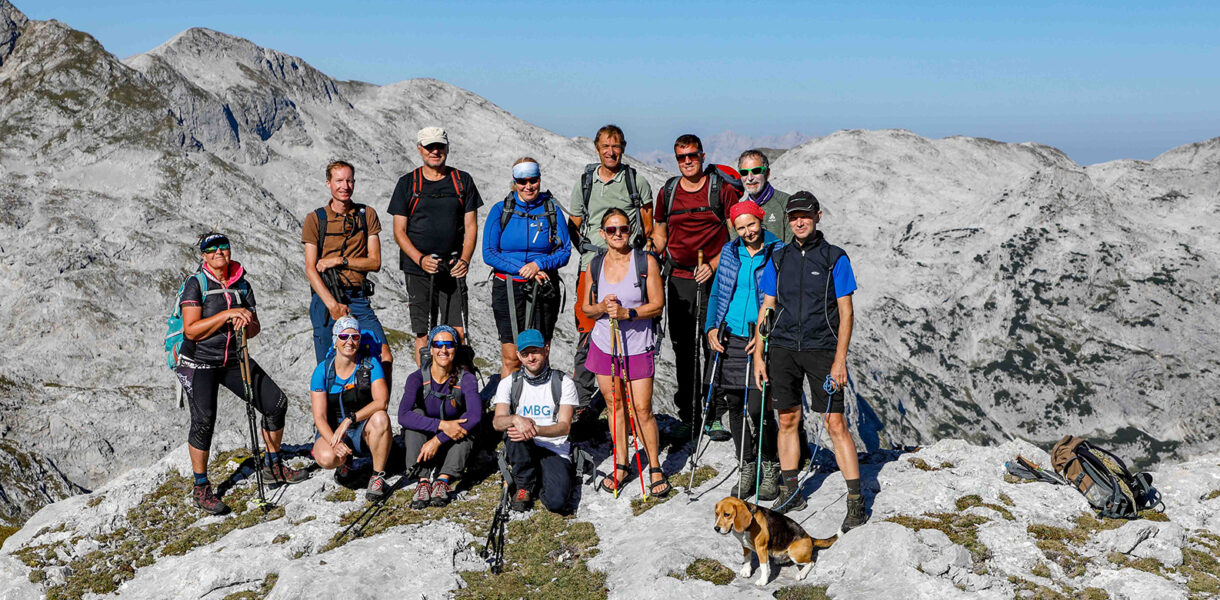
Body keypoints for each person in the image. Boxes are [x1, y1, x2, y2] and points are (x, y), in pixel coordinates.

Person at [752, 193, 864, 532]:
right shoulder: (779, 258)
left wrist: (839, 360)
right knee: (787, 418)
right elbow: (768, 306)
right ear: (788, 220)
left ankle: (856, 501)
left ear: (817, 216)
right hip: (783, 348)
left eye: (805, 215)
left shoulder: (835, 259)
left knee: (834, 423)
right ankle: (792, 490)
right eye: (794, 216)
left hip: (821, 350)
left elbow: (846, 313)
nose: (799, 222)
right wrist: (759, 353)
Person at [174, 232, 307, 515]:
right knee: (204, 420)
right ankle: (201, 488)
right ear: (204, 256)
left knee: (275, 403)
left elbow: (255, 326)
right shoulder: (195, 284)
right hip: (199, 361)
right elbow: (191, 329)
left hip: (234, 358)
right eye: (212, 248)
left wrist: (245, 324)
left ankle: (272, 466)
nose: (219, 251)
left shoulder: (242, 284)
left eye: (224, 246)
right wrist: (227, 315)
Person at [651, 134, 741, 443]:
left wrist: (714, 264)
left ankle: (714, 415)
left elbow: (735, 235)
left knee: (712, 343)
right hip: (678, 278)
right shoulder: (669, 191)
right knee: (682, 348)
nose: (687, 161)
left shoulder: (721, 190)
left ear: (702, 155)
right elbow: (661, 231)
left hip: (713, 278)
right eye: (681, 157)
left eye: (691, 155)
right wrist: (652, 251)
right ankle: (689, 415)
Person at [566, 125, 655, 435]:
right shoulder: (585, 182)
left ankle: (629, 406)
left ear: (623, 147)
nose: (611, 151)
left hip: (628, 265)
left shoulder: (636, 181)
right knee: (588, 331)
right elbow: (574, 224)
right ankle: (583, 405)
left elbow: (647, 223)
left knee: (630, 331)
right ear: (597, 148)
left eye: (616, 146)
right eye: (605, 146)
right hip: (592, 265)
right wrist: (592, 254)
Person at [579, 209, 670, 497]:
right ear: (602, 233)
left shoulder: (645, 262)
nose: (617, 234)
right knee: (614, 403)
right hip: (604, 344)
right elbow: (587, 308)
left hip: (637, 345)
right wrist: (603, 307)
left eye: (622, 228)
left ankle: (654, 466)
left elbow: (657, 305)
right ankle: (621, 462)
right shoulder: (595, 265)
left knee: (641, 408)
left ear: (630, 231)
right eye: (610, 229)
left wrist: (627, 312)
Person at [704, 202, 784, 500]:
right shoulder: (729, 251)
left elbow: (780, 298)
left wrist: (765, 336)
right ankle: (747, 465)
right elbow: (718, 291)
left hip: (760, 336)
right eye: (741, 227)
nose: (748, 231)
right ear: (734, 229)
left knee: (758, 407)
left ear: (761, 221)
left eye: (752, 224)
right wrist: (711, 326)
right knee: (735, 405)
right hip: (731, 335)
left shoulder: (778, 250)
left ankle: (770, 464)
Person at [387, 126, 483, 366]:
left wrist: (465, 260)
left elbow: (471, 226)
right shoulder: (407, 183)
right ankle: (426, 386)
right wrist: (420, 259)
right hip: (418, 270)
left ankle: (457, 387)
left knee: (457, 332)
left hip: (453, 267)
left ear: (447, 148)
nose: (435, 151)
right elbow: (399, 231)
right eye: (429, 147)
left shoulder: (462, 181)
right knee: (423, 333)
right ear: (420, 149)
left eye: (439, 146)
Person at [303, 160, 393, 388]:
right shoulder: (315, 220)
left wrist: (339, 260)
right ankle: (326, 422)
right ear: (328, 183)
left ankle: (376, 415)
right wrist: (332, 304)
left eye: (349, 180)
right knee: (327, 365)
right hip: (325, 299)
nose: (345, 186)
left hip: (357, 298)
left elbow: (375, 262)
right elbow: (310, 268)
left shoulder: (366, 215)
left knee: (384, 357)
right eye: (339, 181)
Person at [482, 158, 571, 378]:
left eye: (533, 180)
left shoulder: (552, 210)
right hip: (508, 288)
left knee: (540, 354)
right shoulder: (501, 210)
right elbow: (489, 253)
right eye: (522, 181)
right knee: (512, 357)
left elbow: (565, 251)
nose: (528, 186)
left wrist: (539, 264)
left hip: (544, 288)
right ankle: (506, 409)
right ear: (514, 182)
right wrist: (524, 268)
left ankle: (540, 406)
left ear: (539, 179)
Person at [492, 329, 579, 513]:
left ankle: (539, 476)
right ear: (518, 356)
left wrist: (534, 428)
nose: (530, 358)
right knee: (513, 429)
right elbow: (497, 422)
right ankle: (525, 485)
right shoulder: (509, 382)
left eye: (535, 351)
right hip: (523, 445)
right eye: (525, 353)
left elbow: (564, 427)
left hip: (554, 447)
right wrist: (516, 419)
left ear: (546, 349)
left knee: (556, 503)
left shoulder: (563, 382)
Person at [309, 316, 394, 501]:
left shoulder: (371, 364)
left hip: (362, 427)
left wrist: (350, 420)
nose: (349, 342)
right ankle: (344, 462)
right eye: (343, 336)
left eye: (355, 337)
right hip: (335, 430)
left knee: (381, 418)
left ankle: (377, 476)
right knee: (326, 457)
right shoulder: (323, 370)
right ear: (335, 340)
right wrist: (334, 441)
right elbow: (320, 417)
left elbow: (382, 402)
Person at [398, 325, 482, 509]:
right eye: (438, 344)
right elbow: (403, 416)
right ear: (431, 348)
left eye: (449, 345)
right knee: (416, 415)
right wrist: (443, 425)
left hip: (451, 440)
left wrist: (437, 440)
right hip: (425, 441)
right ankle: (423, 480)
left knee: (465, 426)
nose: (443, 350)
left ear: (456, 349)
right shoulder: (416, 378)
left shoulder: (466, 379)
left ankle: (443, 480)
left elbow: (475, 416)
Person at [735, 149, 793, 243]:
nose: (750, 178)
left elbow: (791, 246)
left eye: (756, 171)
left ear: (767, 173)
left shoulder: (786, 202)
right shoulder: (738, 211)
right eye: (744, 173)